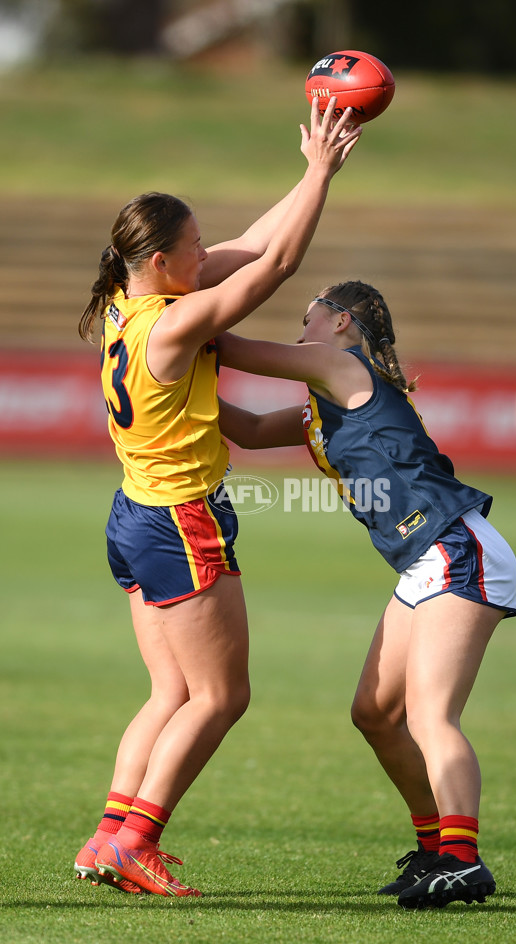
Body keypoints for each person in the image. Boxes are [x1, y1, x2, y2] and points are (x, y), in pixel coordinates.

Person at [73, 98, 361, 898]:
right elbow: (275, 268)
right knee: (223, 694)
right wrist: (321, 175)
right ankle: (139, 841)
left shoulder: (131, 309)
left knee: (173, 691)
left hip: (134, 515)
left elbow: (252, 244)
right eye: (196, 245)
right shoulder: (173, 324)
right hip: (180, 520)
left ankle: (108, 835)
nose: (209, 251)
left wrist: (308, 176)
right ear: (163, 260)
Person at [216, 279, 516, 909]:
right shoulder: (321, 405)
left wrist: (161, 331)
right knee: (375, 714)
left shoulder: (340, 365)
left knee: (431, 716)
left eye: (310, 316)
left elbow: (234, 347)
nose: (301, 328)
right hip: (424, 560)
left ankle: (463, 861)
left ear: (343, 322)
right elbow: (243, 428)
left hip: (454, 545)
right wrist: (164, 391)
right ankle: (437, 847)